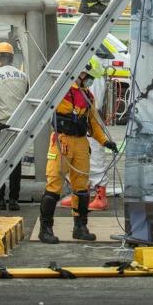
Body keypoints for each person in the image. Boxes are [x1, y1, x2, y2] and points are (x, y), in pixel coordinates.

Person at [38, 58, 118, 244]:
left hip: (81, 143)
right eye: (89, 77)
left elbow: (94, 124)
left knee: (82, 187)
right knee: (54, 186)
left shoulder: (88, 96)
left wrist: (106, 142)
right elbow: (48, 95)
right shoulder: (61, 91)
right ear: (81, 73)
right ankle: (46, 228)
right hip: (61, 142)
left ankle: (80, 227)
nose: (90, 81)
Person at [0, 42, 29, 211]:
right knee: (15, 164)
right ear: (11, 57)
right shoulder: (23, 76)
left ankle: (0, 199)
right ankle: (14, 200)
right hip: (19, 125)